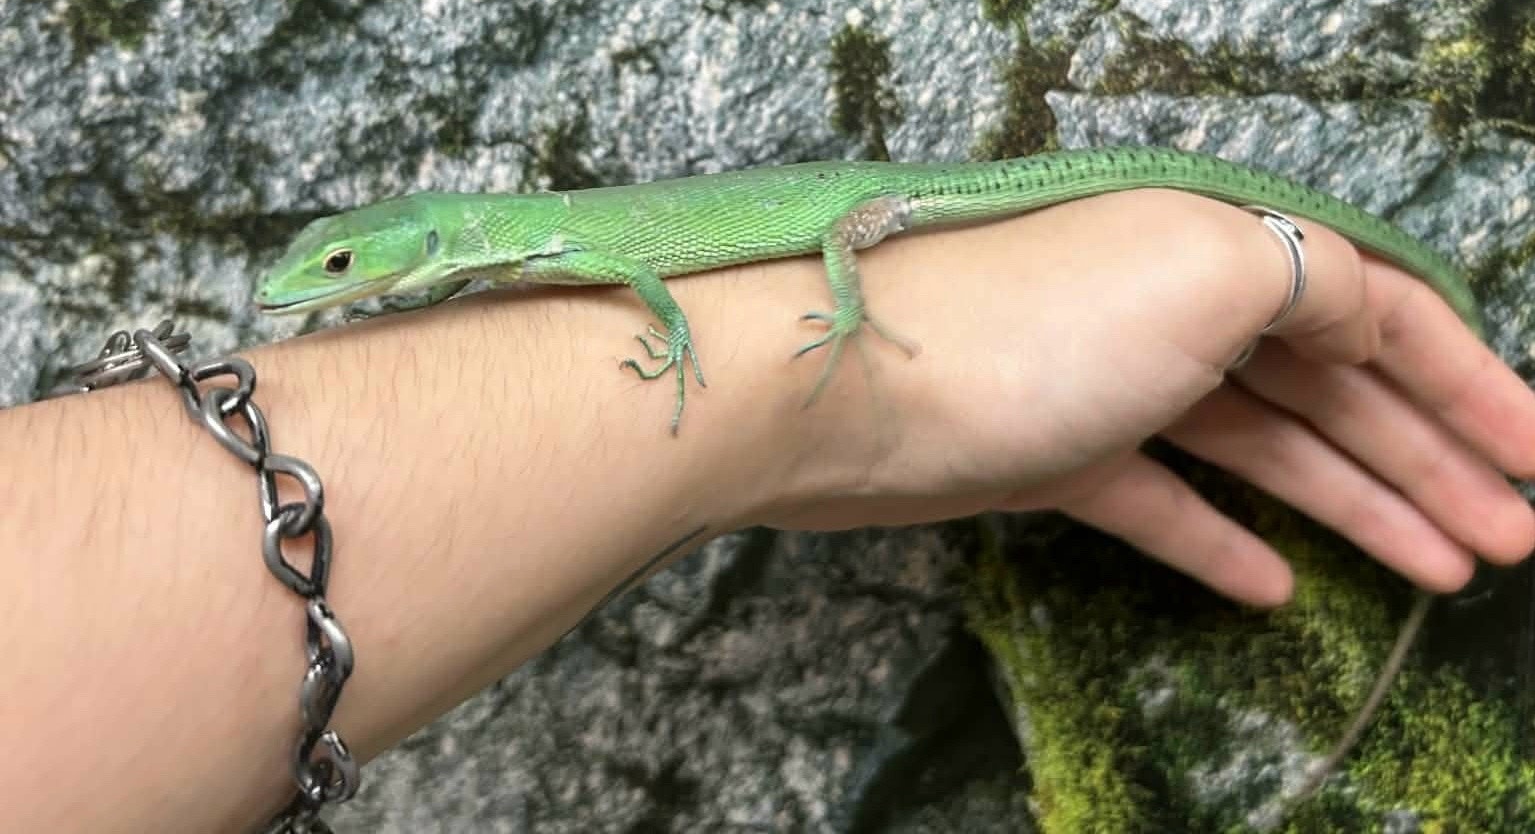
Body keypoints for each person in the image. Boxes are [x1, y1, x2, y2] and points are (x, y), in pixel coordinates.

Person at [5, 189, 1534, 832]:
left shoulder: (514, 242)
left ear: (406, 251)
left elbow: (655, 283)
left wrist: (727, 349)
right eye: (329, 277)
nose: (309, 298)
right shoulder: (482, 253)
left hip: (853, 218)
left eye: (338, 277)